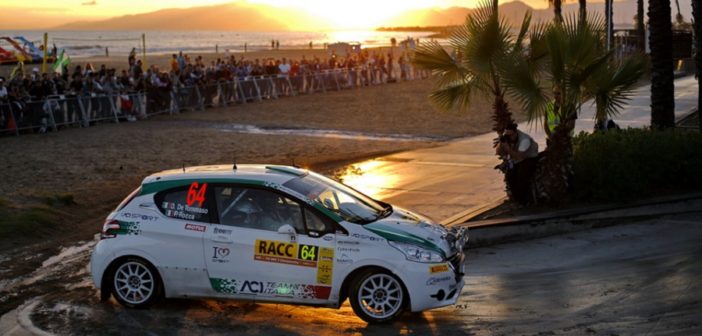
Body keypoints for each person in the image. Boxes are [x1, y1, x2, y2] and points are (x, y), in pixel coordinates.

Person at [496, 123, 539, 204]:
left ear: (515, 132)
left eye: (511, 135)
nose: (509, 137)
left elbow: (519, 156)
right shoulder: (508, 138)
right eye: (507, 135)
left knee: (521, 175)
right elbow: (498, 152)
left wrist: (508, 148)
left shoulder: (524, 140)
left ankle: (523, 200)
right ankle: (517, 199)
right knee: (510, 176)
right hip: (517, 159)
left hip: (529, 158)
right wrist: (501, 144)